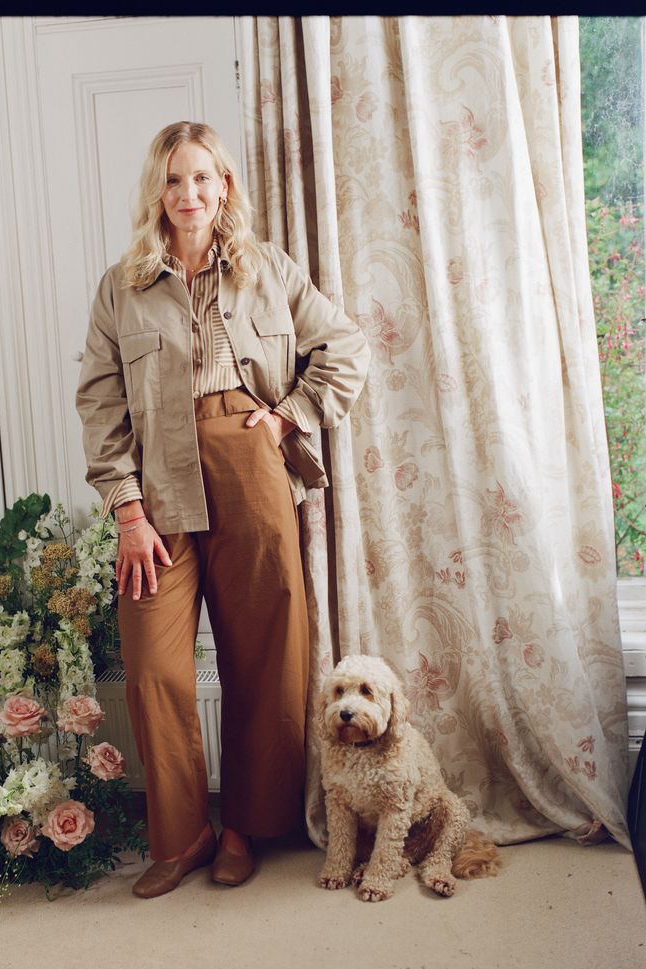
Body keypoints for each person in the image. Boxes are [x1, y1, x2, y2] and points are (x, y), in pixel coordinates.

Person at [76, 121, 370, 898]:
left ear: (224, 185)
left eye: (202, 177)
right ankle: (182, 836)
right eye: (173, 179)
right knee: (153, 666)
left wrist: (286, 416)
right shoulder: (121, 286)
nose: (188, 193)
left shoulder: (266, 268)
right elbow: (100, 404)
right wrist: (127, 512)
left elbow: (344, 346)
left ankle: (243, 826)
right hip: (158, 483)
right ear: (156, 191)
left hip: (249, 461)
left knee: (265, 654)